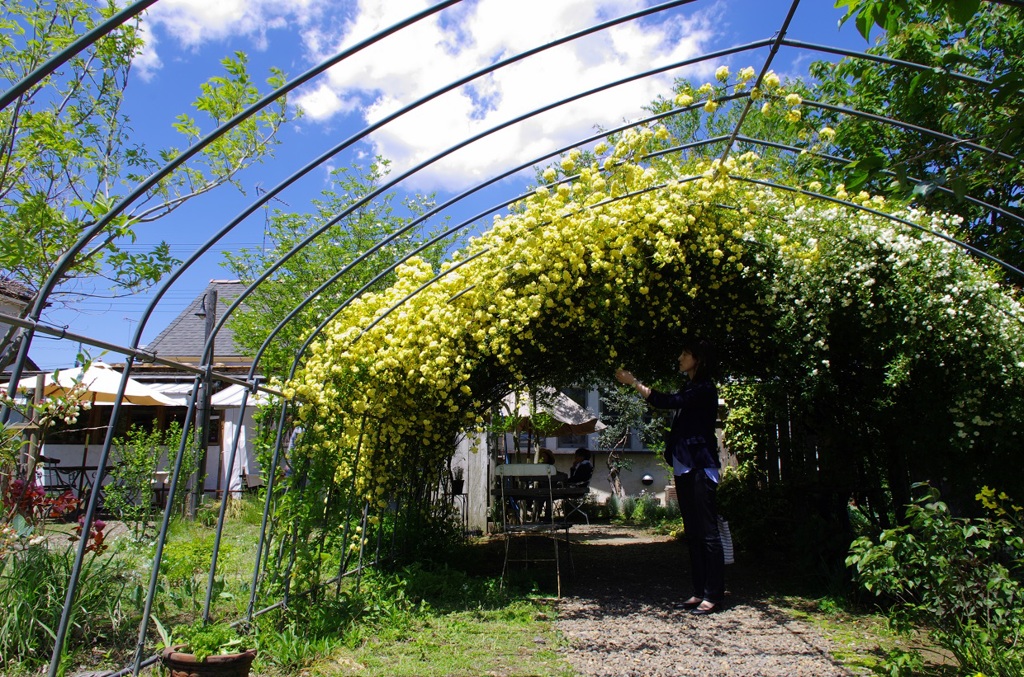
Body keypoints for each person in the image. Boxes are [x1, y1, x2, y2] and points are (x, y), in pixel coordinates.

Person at [615, 339, 724, 616]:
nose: (679, 357)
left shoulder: (704, 388)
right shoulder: (690, 387)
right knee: (694, 533)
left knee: (708, 533)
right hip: (684, 465)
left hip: (700, 465)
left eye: (685, 353)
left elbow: (667, 401)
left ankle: (714, 594)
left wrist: (634, 382)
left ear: (697, 359)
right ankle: (699, 592)